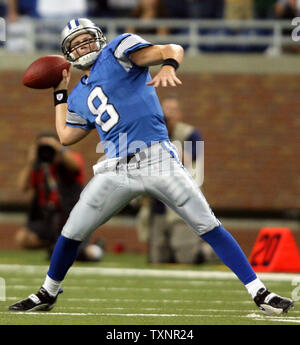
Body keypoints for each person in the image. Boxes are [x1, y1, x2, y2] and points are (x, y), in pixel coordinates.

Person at [9, 18, 293, 316]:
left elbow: (172, 48)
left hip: (157, 157)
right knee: (71, 231)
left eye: (86, 39)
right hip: (116, 168)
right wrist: (59, 93)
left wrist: (169, 66)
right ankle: (47, 292)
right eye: (76, 45)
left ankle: (260, 292)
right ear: (68, 55)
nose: (83, 47)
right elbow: (66, 136)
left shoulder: (118, 50)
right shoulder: (78, 94)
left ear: (99, 37)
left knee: (206, 223)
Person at [139, 96, 217, 264]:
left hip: (182, 203)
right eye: (164, 110)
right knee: (157, 259)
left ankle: (209, 251)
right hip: (158, 203)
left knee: (186, 258)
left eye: (172, 110)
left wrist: (162, 138)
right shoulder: (148, 133)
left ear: (179, 114)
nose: (168, 114)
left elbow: (187, 160)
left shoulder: (190, 134)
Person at [15, 131, 103, 262]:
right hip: (49, 218)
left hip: (71, 216)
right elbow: (22, 187)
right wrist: (31, 161)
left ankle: (96, 248)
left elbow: (75, 166)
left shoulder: (69, 159)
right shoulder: (38, 166)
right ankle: (55, 245)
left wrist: (58, 149)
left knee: (78, 254)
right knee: (23, 238)